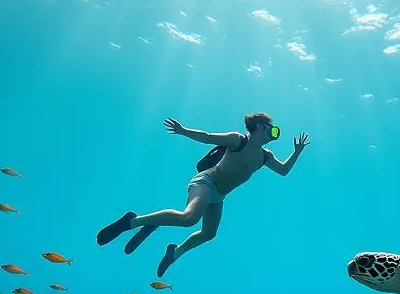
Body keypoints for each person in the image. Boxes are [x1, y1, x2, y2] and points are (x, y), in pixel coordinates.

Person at [97, 112, 309, 277]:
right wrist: (183, 130)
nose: (273, 134)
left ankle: (174, 252)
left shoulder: (265, 156)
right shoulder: (238, 140)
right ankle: (132, 221)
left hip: (218, 196)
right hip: (205, 183)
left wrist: (297, 153)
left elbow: (283, 171)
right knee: (189, 218)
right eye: (271, 130)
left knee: (209, 233)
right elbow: (208, 138)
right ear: (259, 128)